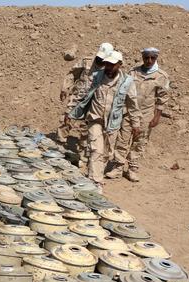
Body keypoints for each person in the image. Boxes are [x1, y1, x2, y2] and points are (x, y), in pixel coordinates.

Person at [67, 51, 142, 188]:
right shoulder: (96, 77)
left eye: (112, 64)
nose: (108, 67)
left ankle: (94, 175)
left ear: (120, 65)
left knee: (106, 154)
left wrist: (136, 124)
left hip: (112, 124)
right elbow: (81, 94)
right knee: (96, 150)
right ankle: (95, 181)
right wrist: (69, 111)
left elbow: (132, 104)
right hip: (95, 119)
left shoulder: (127, 82)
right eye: (107, 63)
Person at [107, 47, 170, 182]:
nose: (149, 60)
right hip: (129, 112)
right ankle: (117, 168)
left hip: (146, 114)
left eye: (152, 58)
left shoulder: (161, 76)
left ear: (156, 58)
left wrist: (157, 116)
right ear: (142, 57)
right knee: (122, 140)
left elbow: (162, 98)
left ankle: (132, 169)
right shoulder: (133, 72)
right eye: (146, 57)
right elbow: (123, 91)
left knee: (139, 142)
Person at [57, 42, 114, 163]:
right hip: (78, 96)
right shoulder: (87, 61)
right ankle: (59, 145)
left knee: (87, 126)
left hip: (95, 100)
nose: (100, 60)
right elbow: (72, 74)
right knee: (67, 118)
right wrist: (65, 88)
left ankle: (82, 151)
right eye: (99, 58)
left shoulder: (110, 67)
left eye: (103, 59)